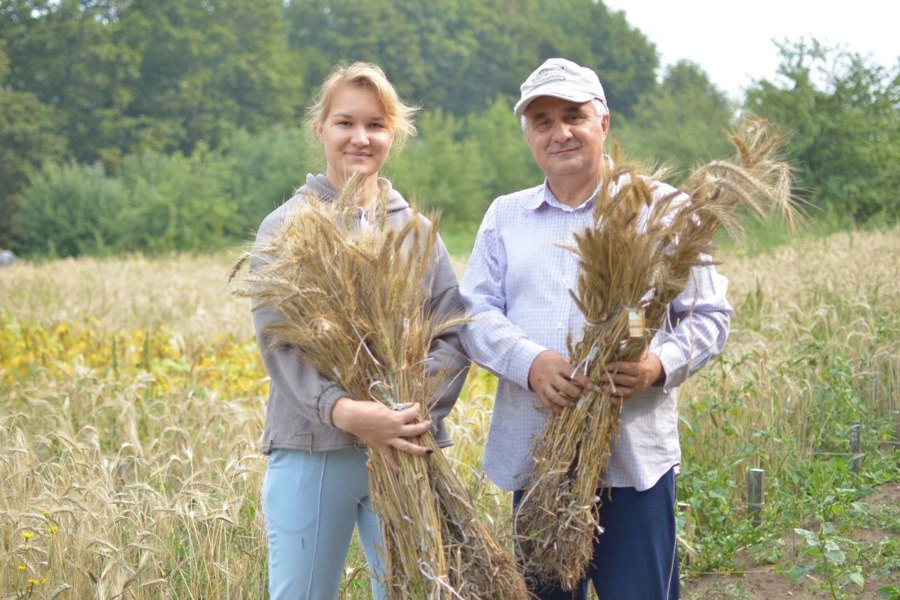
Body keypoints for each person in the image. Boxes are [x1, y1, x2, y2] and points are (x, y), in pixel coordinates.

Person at [459, 57, 732, 600]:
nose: (559, 132)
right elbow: (475, 314)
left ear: (602, 122)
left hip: (634, 463)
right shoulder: (505, 217)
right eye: (542, 121)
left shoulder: (663, 210)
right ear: (529, 137)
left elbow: (710, 316)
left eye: (573, 116)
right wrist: (529, 363)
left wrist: (657, 366)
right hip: (540, 461)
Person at [251, 62, 470, 600]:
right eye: (345, 122)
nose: (360, 137)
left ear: (393, 133)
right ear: (320, 128)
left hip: (408, 446)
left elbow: (453, 333)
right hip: (314, 448)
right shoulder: (286, 227)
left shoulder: (417, 231)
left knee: (413, 594)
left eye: (375, 124)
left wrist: (405, 411)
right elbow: (279, 342)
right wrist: (345, 411)